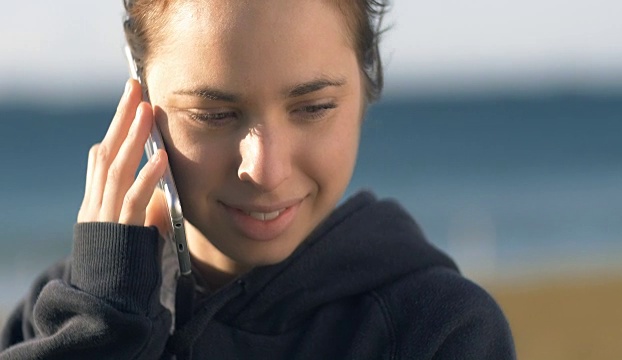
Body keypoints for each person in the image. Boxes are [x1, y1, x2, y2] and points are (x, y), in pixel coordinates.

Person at [0, 0, 516, 359]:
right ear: (138, 102)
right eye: (214, 114)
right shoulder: (63, 311)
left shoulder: (438, 331)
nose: (266, 169)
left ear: (367, 83)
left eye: (312, 107)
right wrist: (100, 333)